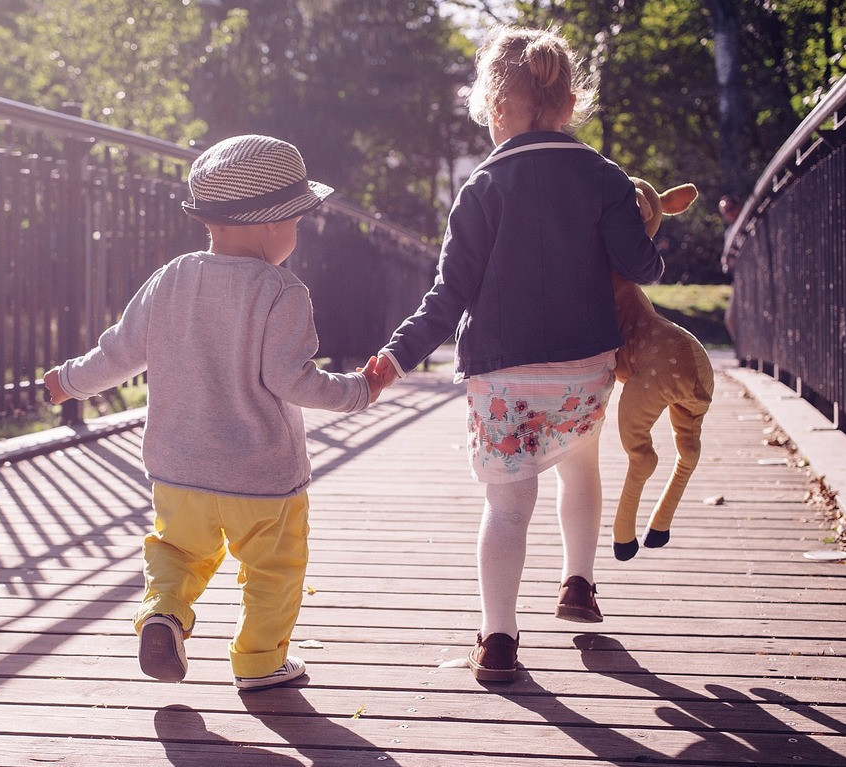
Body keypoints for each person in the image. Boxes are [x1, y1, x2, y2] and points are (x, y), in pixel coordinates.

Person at [369, 26, 665, 683]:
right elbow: (642, 265)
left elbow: (447, 297)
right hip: (583, 368)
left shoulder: (481, 188)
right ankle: (578, 584)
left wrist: (396, 357)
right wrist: (646, 221)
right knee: (579, 461)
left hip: (503, 375)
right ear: (567, 102)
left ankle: (498, 638)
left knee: (507, 505)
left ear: (498, 106)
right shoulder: (604, 176)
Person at [43, 134, 385, 691]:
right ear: (273, 224)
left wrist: (68, 381)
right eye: (297, 220)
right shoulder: (283, 291)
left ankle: (164, 614)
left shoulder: (171, 277)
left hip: (179, 470)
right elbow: (290, 380)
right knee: (273, 571)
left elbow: (120, 353)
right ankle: (259, 661)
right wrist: (358, 391)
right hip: (263, 479)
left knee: (177, 551)